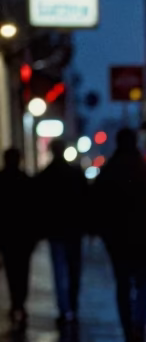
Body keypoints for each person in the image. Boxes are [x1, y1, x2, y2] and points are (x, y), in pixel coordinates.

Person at [91, 127, 146, 342]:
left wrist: (103, 231)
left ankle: (128, 332)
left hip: (118, 242)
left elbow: (95, 205)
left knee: (123, 286)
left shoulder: (109, 171)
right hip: (144, 239)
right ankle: (139, 329)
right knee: (143, 285)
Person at [35, 138, 88, 325]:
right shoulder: (74, 173)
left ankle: (63, 307)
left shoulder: (45, 175)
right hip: (73, 230)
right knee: (74, 269)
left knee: (59, 270)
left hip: (55, 230)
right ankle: (72, 305)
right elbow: (85, 201)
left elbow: (39, 205)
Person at [0, 147, 36, 326]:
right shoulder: (26, 180)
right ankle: (20, 301)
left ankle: (16, 301)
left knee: (11, 269)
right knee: (22, 270)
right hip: (23, 235)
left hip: (7, 234)